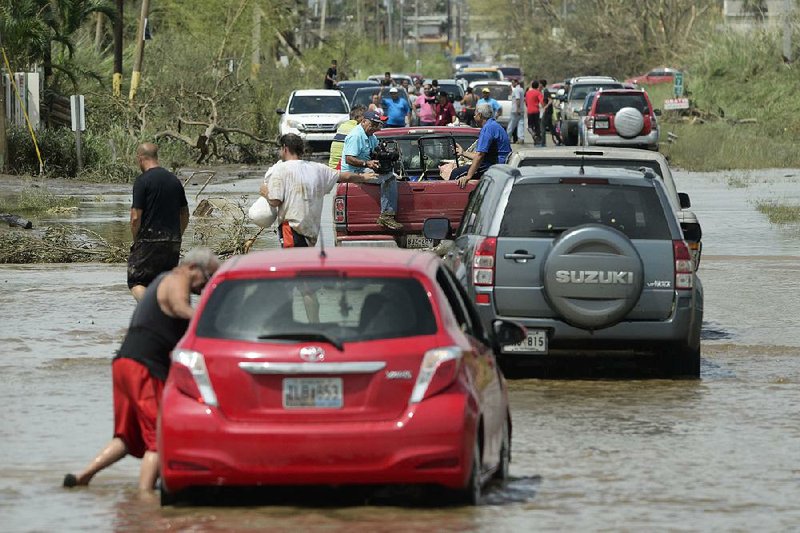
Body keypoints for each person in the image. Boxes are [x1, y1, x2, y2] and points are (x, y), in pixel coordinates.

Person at [63, 248, 220, 491]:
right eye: (208, 278)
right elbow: (179, 308)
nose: (206, 287)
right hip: (143, 368)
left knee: (127, 437)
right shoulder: (175, 279)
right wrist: (212, 321)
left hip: (124, 363)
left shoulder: (162, 281)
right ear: (192, 268)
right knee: (160, 438)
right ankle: (145, 497)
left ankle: (82, 476)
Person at [263, 133, 380, 247]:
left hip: (291, 228)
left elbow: (275, 201)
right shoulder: (318, 168)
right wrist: (363, 177)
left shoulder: (279, 170)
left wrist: (265, 193)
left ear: (285, 148)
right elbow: (344, 176)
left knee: (292, 264)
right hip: (311, 231)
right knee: (305, 263)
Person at [127, 143, 189, 302]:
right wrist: (177, 236)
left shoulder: (142, 181)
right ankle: (167, 316)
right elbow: (185, 214)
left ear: (140, 159)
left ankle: (152, 310)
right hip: (172, 241)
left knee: (137, 282)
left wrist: (136, 240)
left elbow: (135, 217)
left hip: (148, 241)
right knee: (164, 283)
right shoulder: (174, 180)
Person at [341, 111, 403, 230]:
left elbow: (376, 152)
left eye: (377, 125)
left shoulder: (372, 136)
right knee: (389, 178)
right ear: (364, 121)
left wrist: (387, 154)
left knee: (392, 174)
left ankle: (387, 214)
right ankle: (386, 215)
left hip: (364, 169)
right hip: (353, 172)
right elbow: (349, 159)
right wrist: (367, 163)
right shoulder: (356, 135)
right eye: (373, 124)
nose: (375, 128)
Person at [453, 103, 512, 188]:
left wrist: (468, 176)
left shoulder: (488, 128)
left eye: (474, 115)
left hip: (495, 166)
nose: (473, 117)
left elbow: (480, 156)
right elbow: (480, 155)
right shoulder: (494, 125)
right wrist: (463, 153)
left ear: (479, 115)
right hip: (497, 163)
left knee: (456, 173)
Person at [329, 104, 366, 170]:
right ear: (358, 118)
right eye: (365, 118)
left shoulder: (342, 126)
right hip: (342, 169)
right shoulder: (356, 130)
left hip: (332, 167)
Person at [507, 78, 526, 143]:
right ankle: (521, 138)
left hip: (515, 110)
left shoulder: (516, 90)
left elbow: (517, 99)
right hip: (521, 110)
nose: (512, 84)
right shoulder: (521, 89)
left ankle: (507, 138)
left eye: (513, 83)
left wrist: (517, 108)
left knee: (511, 125)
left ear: (516, 82)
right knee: (521, 124)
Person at [525, 80, 544, 145]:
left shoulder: (528, 93)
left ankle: (533, 135)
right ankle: (537, 139)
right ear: (537, 86)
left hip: (529, 111)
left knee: (530, 126)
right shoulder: (538, 93)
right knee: (537, 126)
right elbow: (542, 102)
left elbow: (526, 102)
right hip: (536, 111)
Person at [540, 79, 553, 146]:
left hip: (547, 111)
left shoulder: (546, 91)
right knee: (551, 127)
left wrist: (546, 107)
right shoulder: (543, 91)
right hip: (547, 111)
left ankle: (543, 142)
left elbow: (550, 100)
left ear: (542, 84)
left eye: (540, 84)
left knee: (542, 126)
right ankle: (559, 140)